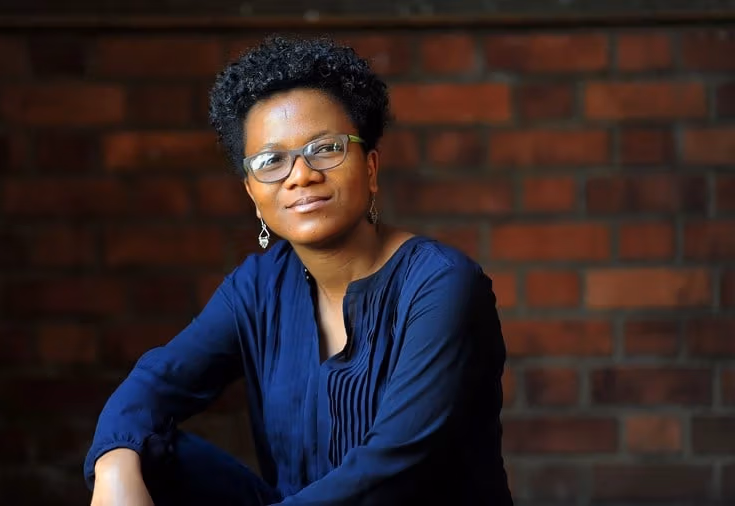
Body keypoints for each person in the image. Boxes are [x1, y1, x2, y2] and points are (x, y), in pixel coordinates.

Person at [84, 35, 513, 506]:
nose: (300, 175)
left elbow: (393, 469)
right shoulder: (258, 286)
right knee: (141, 447)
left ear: (370, 168)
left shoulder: (441, 284)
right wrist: (114, 468)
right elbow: (155, 383)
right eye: (271, 161)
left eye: (325, 148)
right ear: (252, 192)